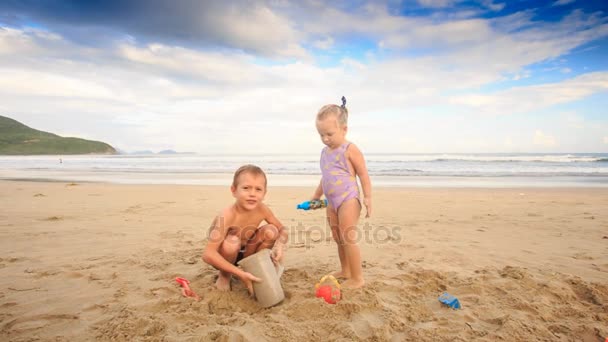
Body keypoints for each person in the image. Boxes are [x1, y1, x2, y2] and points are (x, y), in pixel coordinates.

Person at [311, 96, 372, 289]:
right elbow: (325, 177)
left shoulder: (350, 149)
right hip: (331, 201)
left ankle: (357, 277)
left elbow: (363, 174)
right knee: (338, 237)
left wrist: (368, 197)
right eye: (321, 134)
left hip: (348, 199)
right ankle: (345, 270)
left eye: (329, 133)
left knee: (348, 236)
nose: (325, 138)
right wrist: (315, 196)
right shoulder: (325, 153)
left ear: (344, 129)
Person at [202, 165, 288, 295]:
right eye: (246, 188)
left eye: (258, 189)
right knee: (231, 242)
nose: (252, 194)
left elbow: (283, 230)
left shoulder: (262, 209)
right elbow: (208, 254)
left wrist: (280, 246)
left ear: (264, 193)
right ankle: (225, 275)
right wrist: (239, 273)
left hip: (248, 252)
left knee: (271, 231)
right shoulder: (227, 215)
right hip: (225, 255)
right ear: (234, 190)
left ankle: (253, 268)